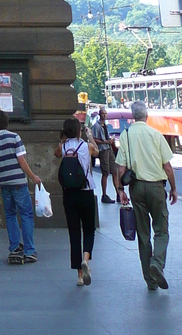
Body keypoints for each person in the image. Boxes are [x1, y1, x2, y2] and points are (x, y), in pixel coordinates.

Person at [115, 100, 178, 290]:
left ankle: (150, 281)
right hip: (156, 188)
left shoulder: (126, 135)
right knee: (161, 230)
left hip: (136, 188)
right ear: (146, 115)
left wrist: (121, 191)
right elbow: (167, 166)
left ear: (133, 116)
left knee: (143, 234)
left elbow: (120, 168)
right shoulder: (156, 134)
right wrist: (174, 189)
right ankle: (156, 263)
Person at [0, 110, 42, 265]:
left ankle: (15, 247)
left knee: (10, 215)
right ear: (7, 121)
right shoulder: (14, 137)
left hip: (4, 183)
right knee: (26, 215)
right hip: (18, 183)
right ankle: (29, 251)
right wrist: (33, 176)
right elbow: (21, 160)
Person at [55, 117, 99, 285]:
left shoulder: (63, 147)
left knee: (74, 233)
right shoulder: (86, 146)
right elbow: (97, 151)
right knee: (89, 229)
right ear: (79, 130)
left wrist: (62, 140)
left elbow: (56, 153)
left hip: (69, 194)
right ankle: (86, 260)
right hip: (86, 191)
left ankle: (80, 276)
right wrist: (90, 136)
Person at [92, 107, 124, 204]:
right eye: (103, 114)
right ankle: (104, 195)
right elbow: (94, 139)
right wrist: (106, 141)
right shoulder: (96, 126)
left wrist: (111, 142)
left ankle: (118, 194)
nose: (105, 115)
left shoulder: (105, 125)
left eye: (106, 114)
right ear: (99, 114)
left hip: (109, 149)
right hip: (103, 150)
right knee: (105, 173)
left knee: (115, 172)